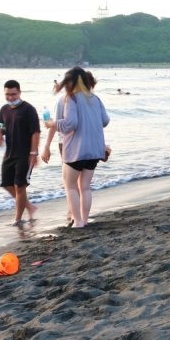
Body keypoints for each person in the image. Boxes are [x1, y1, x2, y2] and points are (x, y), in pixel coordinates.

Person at [43, 67, 110, 228]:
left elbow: (70, 124)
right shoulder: (95, 98)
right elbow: (105, 121)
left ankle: (78, 221)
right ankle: (85, 220)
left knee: (70, 186)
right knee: (85, 187)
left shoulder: (70, 98)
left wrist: (52, 123)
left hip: (76, 151)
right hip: (94, 151)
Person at [0, 79, 41, 228]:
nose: (10, 97)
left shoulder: (29, 109)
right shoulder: (4, 109)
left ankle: (18, 219)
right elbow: (2, 126)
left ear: (20, 92)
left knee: (20, 186)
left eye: (13, 94)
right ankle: (29, 206)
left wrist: (33, 153)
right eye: (7, 95)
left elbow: (35, 132)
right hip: (9, 154)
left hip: (25, 154)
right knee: (7, 184)